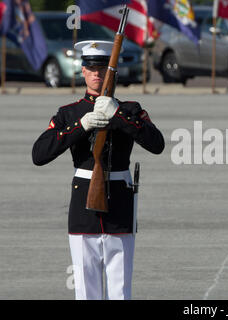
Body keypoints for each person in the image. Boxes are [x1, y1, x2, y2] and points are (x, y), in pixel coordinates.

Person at [32, 40, 165, 300]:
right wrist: (81, 125)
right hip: (84, 207)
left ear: (111, 73)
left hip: (119, 205)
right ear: (82, 71)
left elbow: (156, 143)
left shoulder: (130, 109)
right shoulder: (70, 113)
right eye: (90, 68)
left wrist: (119, 116)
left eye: (103, 68)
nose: (96, 74)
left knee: (120, 290)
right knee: (86, 290)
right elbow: (39, 154)